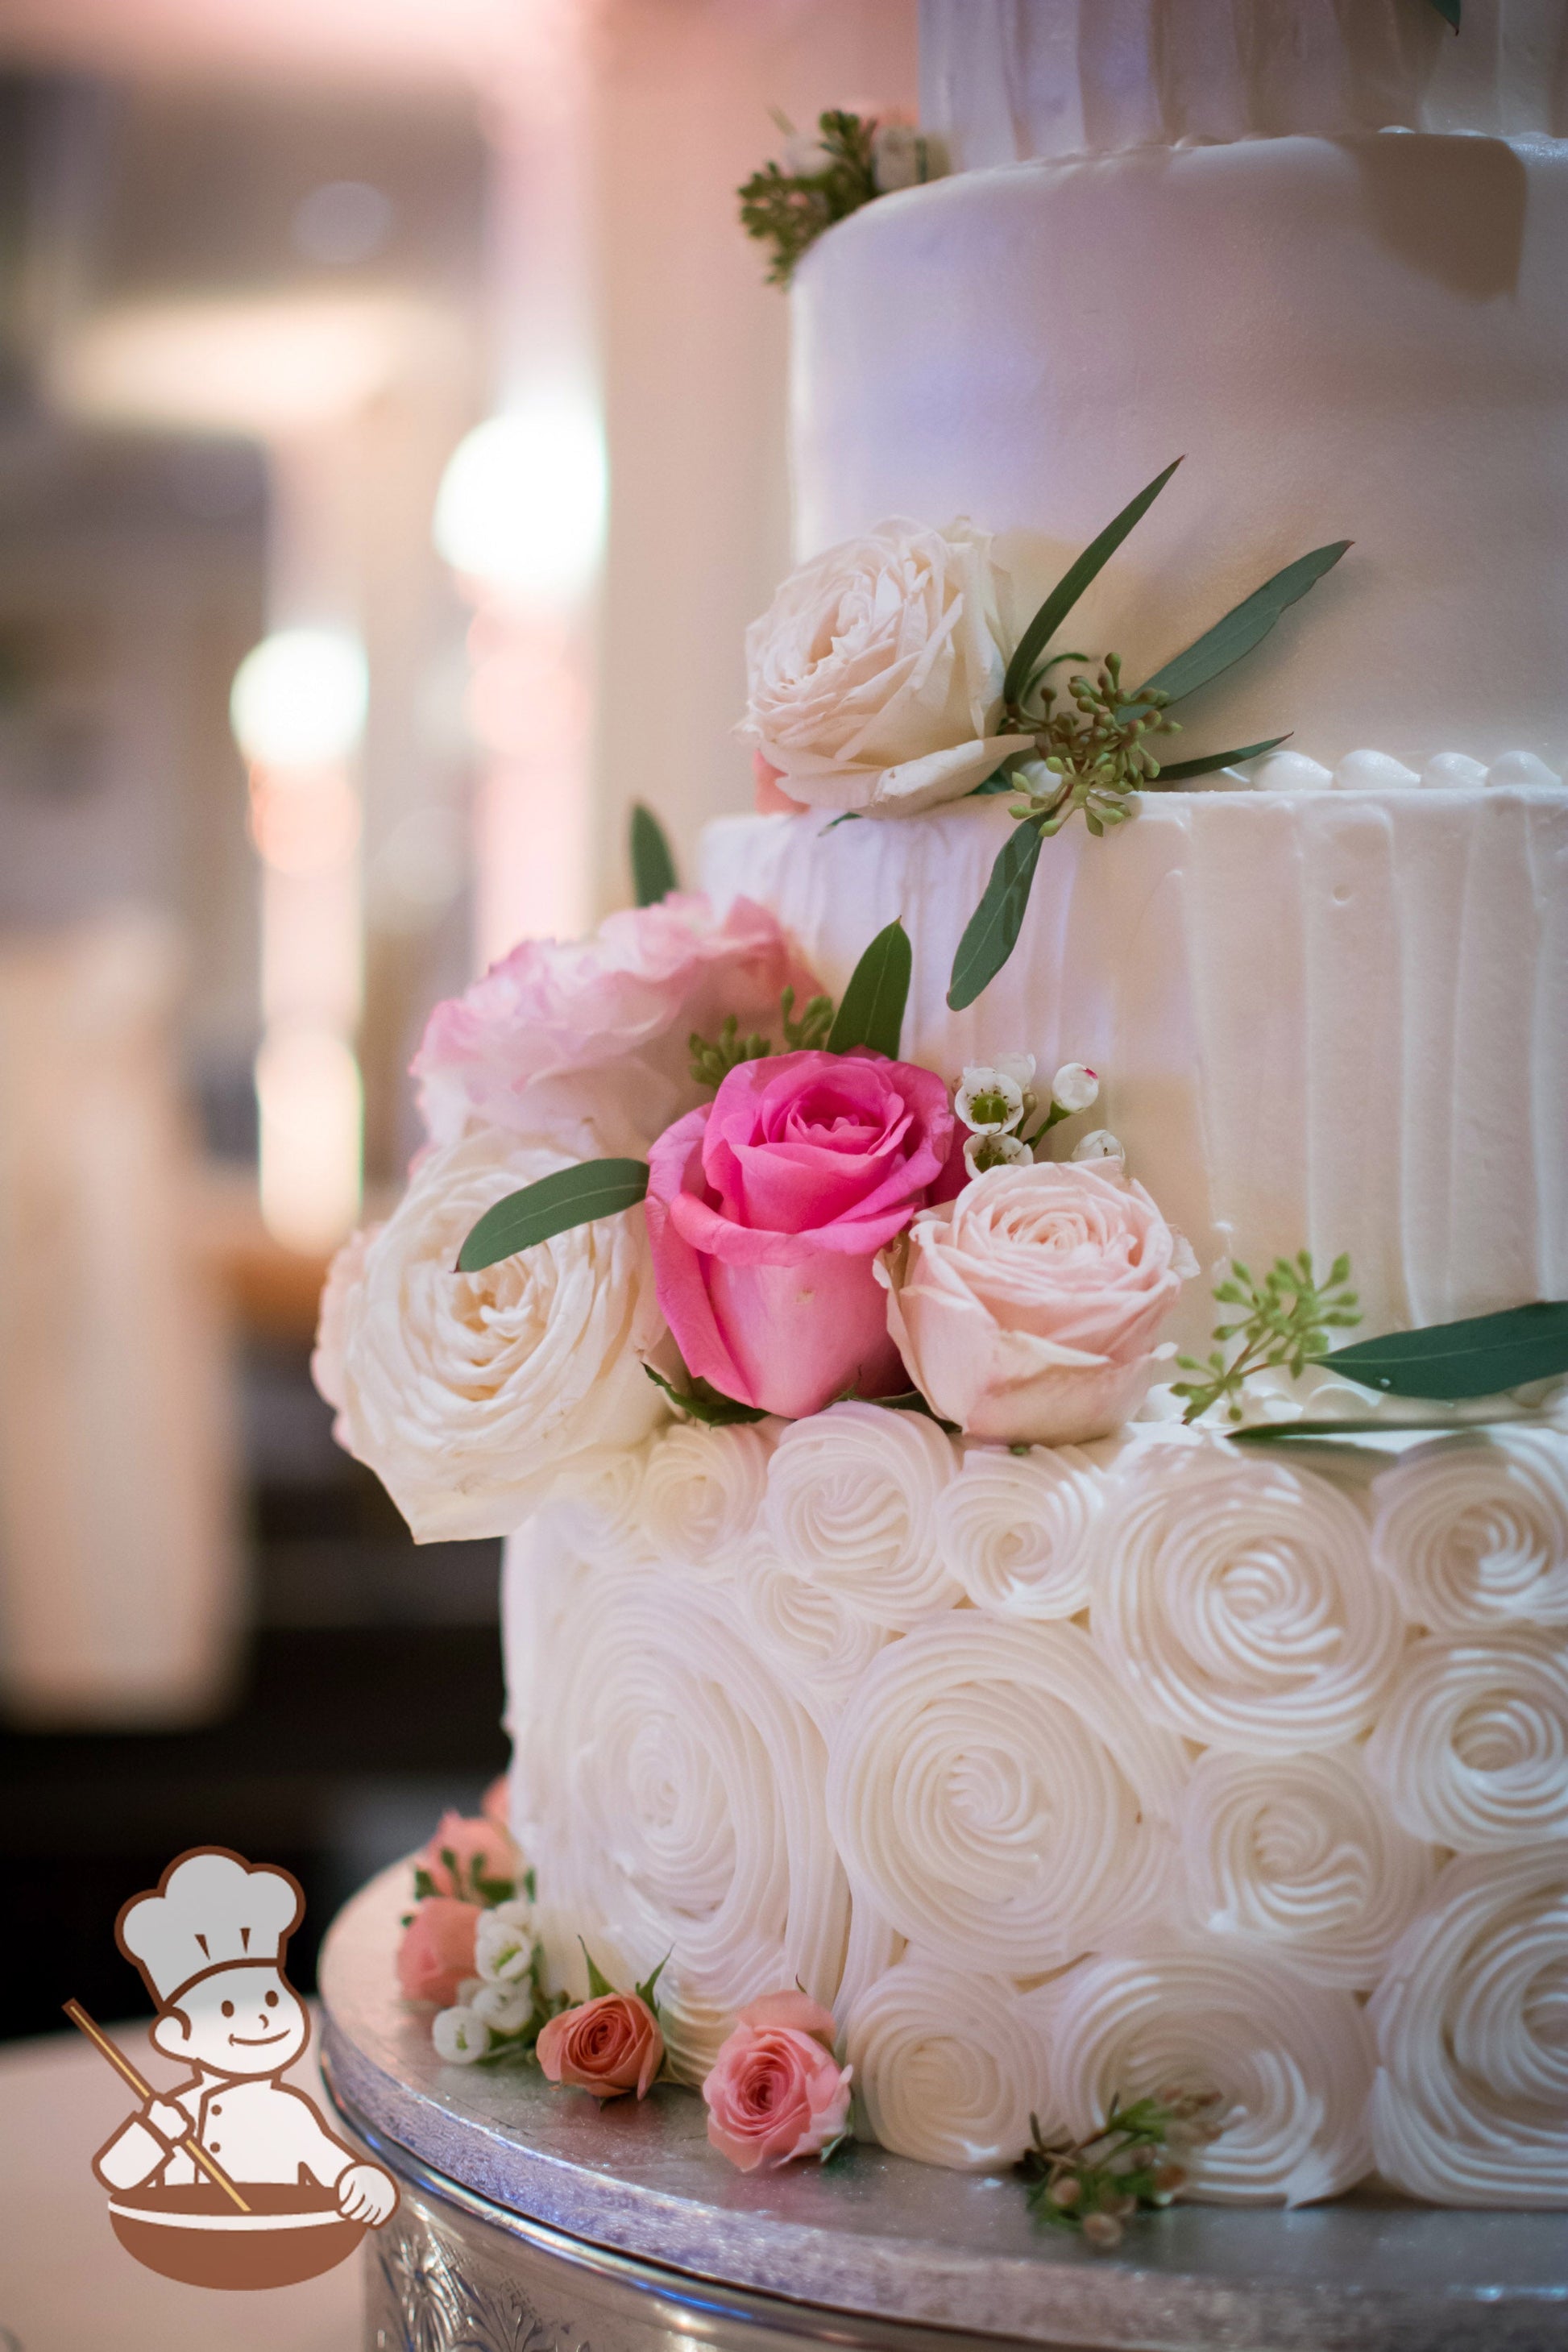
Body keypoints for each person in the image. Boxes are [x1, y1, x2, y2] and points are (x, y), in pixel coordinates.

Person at [93, 1847, 396, 2225]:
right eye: (228, 2010)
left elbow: (337, 2168)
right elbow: (118, 2175)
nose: (263, 2021)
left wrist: (364, 2183)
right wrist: (154, 2132)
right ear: (180, 2038)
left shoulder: (290, 2112)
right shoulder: (177, 2113)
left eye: (270, 1999)